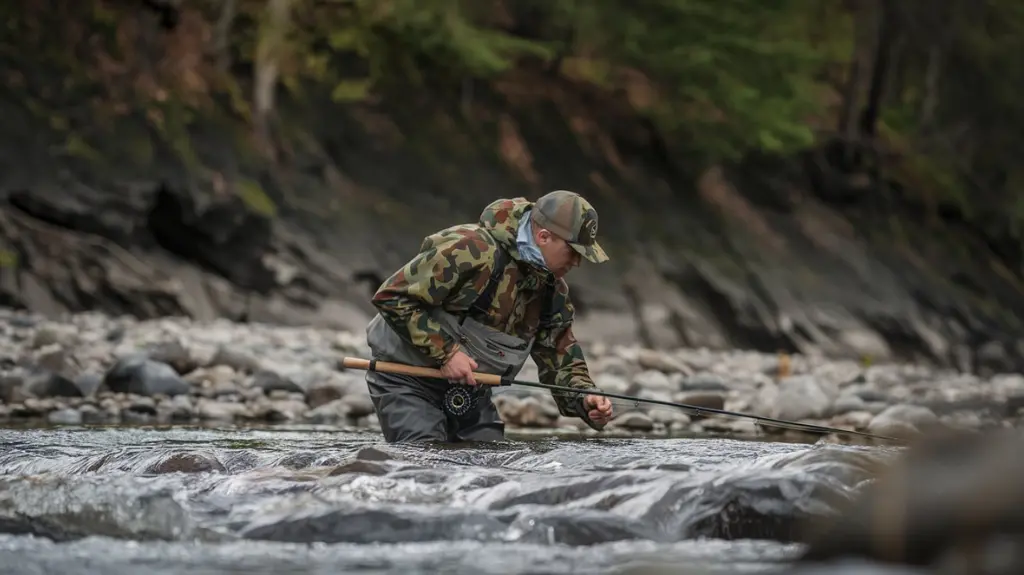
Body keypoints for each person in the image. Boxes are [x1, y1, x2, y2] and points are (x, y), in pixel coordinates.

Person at [363, 190, 615, 443]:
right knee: (425, 456)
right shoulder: (471, 248)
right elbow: (393, 297)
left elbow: (560, 358)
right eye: (573, 252)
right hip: (405, 378)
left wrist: (585, 398)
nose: (577, 262)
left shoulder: (553, 291)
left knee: (489, 462)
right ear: (544, 237)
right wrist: (447, 353)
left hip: (470, 390)